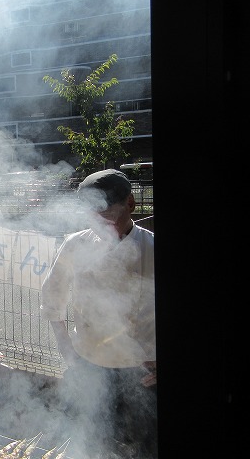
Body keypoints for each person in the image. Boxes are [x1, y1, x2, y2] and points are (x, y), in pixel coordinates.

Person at [41, 169, 156, 458]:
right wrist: (66, 348)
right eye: (92, 217)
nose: (100, 225)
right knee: (93, 441)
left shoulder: (152, 248)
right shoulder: (75, 244)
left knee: (145, 445)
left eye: (107, 216)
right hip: (90, 365)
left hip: (141, 371)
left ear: (130, 204)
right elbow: (52, 297)